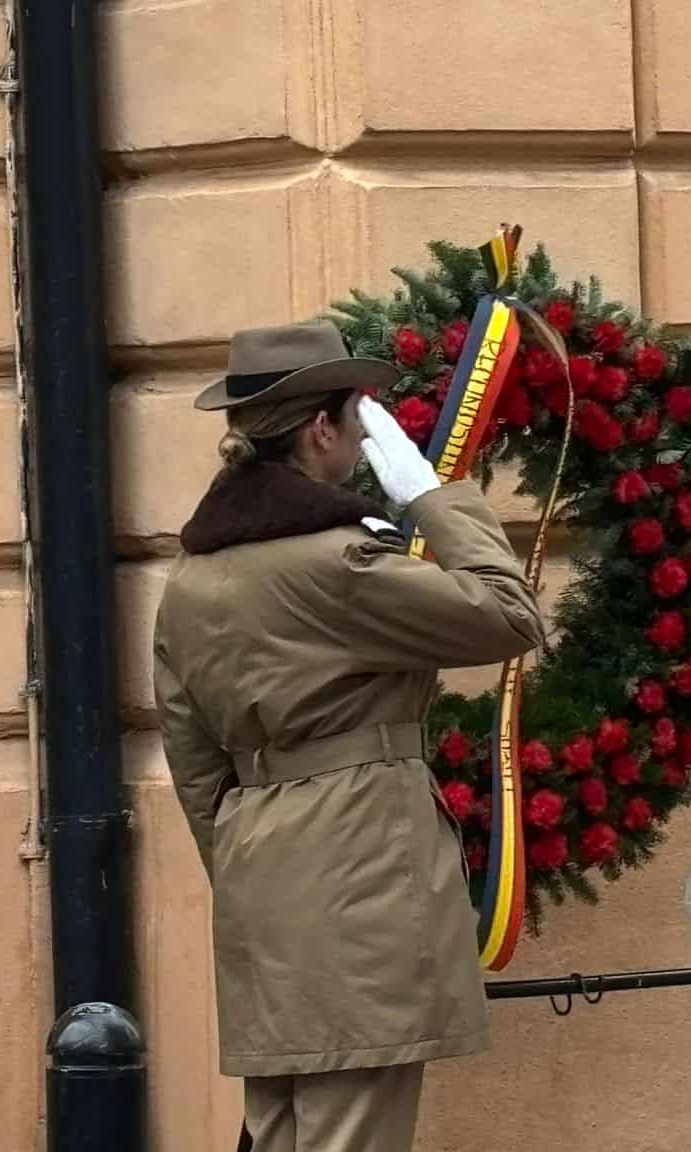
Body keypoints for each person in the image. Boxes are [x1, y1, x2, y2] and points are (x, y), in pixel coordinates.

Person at [152, 319, 545, 1152]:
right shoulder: (339, 565)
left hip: (262, 873)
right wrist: (433, 498)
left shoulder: (190, 580)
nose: (364, 437)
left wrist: (250, 863)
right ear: (321, 430)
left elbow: (194, 764)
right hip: (360, 874)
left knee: (284, 1131)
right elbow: (511, 615)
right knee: (350, 1134)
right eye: (355, 418)